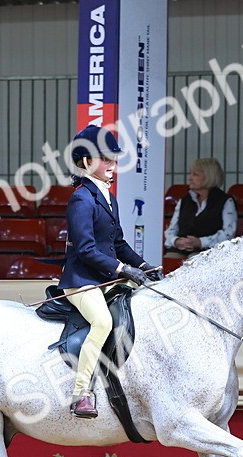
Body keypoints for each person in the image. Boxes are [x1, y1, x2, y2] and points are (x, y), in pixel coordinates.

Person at [60, 125, 161, 420]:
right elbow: (86, 249)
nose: (113, 167)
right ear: (85, 161)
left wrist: (144, 266)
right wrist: (122, 269)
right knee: (102, 322)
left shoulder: (108, 197)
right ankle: (81, 394)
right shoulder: (81, 198)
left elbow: (117, 243)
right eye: (106, 160)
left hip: (105, 279)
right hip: (81, 280)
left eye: (114, 160)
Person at [164, 158, 238, 258]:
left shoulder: (226, 201)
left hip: (210, 251)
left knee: (196, 260)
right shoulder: (184, 201)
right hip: (180, 250)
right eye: (190, 174)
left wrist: (200, 242)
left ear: (209, 177)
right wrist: (176, 241)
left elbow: (228, 235)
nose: (190, 178)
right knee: (168, 259)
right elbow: (171, 230)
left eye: (195, 174)